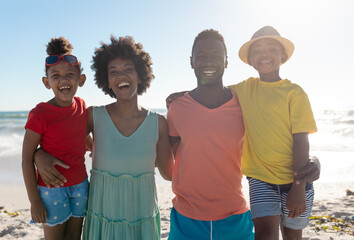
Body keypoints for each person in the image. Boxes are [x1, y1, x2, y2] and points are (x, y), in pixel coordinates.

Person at [35, 36, 173, 240]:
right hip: (103, 220)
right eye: (113, 72)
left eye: (128, 69)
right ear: (106, 80)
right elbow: (60, 139)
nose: (121, 76)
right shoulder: (93, 116)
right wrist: (38, 154)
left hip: (141, 220)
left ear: (141, 75)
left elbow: (169, 174)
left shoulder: (158, 123)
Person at [229, 26, 317, 240]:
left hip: (296, 180)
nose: (264, 54)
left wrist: (298, 187)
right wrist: (184, 95)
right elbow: (213, 94)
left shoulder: (294, 93)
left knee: (292, 235)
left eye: (271, 48)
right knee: (265, 235)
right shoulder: (244, 88)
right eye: (257, 50)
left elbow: (301, 141)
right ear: (250, 59)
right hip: (261, 179)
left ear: (283, 56)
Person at [166, 29, 254, 240]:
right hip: (186, 218)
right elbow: (173, 156)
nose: (208, 61)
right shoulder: (177, 108)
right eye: (201, 56)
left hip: (235, 215)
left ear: (226, 61)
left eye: (215, 55)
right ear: (191, 61)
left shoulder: (244, 104)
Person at [22, 37, 88, 240]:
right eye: (56, 75)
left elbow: (81, 135)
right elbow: (26, 158)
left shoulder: (82, 105)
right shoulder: (40, 113)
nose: (63, 80)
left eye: (70, 74)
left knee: (74, 236)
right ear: (46, 82)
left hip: (81, 186)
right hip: (51, 190)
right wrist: (34, 201)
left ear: (81, 79)